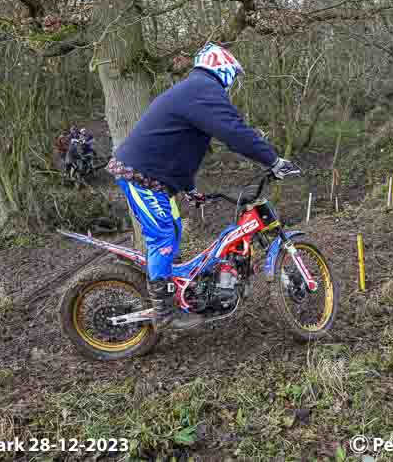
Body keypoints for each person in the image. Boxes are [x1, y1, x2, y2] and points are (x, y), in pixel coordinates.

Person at [106, 42, 299, 329]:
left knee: (174, 229)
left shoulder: (195, 90)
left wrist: (188, 187)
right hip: (139, 175)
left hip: (153, 176)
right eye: (233, 74)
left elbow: (182, 148)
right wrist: (272, 160)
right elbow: (234, 131)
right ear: (223, 68)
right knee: (163, 237)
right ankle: (164, 312)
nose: (232, 82)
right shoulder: (202, 90)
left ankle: (174, 291)